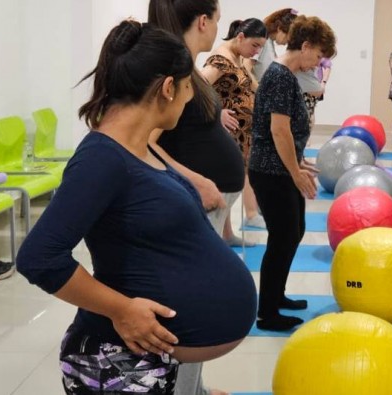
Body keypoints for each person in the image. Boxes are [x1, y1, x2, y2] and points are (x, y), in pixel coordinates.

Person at [16, 20, 256, 394]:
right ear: (167, 88)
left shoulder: (136, 146)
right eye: (189, 87)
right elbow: (38, 257)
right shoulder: (101, 158)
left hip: (147, 361)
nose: (191, 98)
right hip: (114, 364)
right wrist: (122, 310)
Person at [147, 1, 246, 394]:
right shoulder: (172, 65)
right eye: (218, 20)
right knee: (193, 310)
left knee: (196, 303)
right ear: (203, 21)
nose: (217, 28)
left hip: (207, 200)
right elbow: (145, 143)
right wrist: (197, 182)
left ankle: (197, 390)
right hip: (196, 201)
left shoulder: (187, 66)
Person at [249, 15, 336, 331]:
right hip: (271, 171)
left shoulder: (285, 75)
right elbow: (279, 131)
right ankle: (267, 313)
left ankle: (277, 295)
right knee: (282, 237)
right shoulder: (281, 76)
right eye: (318, 55)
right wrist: (295, 171)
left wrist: (298, 164)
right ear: (307, 45)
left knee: (293, 231)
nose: (317, 63)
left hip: (280, 168)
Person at [201, 18, 268, 244]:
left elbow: (252, 87)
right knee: (225, 186)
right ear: (240, 37)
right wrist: (217, 113)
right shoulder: (220, 60)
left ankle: (226, 235)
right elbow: (197, 87)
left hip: (241, 136)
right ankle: (214, 239)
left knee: (231, 185)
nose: (257, 51)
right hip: (227, 137)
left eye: (261, 47)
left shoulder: (239, 57)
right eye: (255, 45)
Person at [252, 8, 299, 81]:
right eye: (288, 38)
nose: (287, 43)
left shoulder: (270, 45)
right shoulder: (262, 39)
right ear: (280, 28)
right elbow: (246, 67)